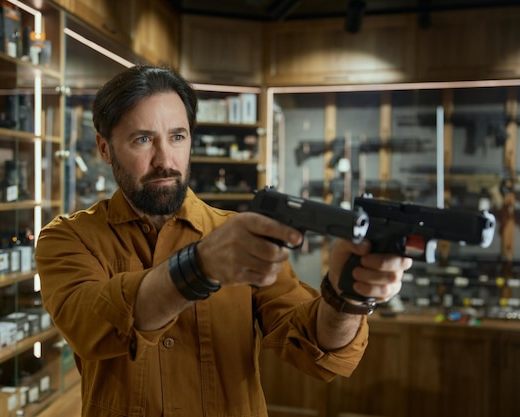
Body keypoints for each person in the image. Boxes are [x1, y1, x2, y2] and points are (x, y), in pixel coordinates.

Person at [35, 65, 412, 417]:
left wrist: (345, 295)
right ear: (104, 149)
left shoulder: (238, 236)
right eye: (143, 139)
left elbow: (313, 345)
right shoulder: (67, 238)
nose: (165, 159)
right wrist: (199, 267)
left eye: (177, 137)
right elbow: (89, 327)